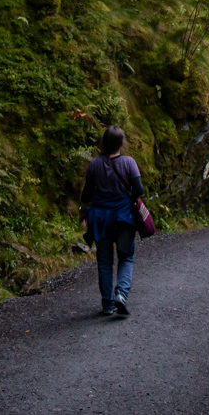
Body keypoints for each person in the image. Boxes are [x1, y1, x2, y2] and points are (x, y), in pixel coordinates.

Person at [80, 125, 144, 316]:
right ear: (121, 143)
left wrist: (83, 213)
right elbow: (139, 189)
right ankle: (121, 294)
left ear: (103, 142)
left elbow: (87, 193)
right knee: (126, 256)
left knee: (104, 261)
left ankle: (107, 305)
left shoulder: (94, 164)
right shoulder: (129, 162)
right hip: (124, 217)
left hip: (101, 219)